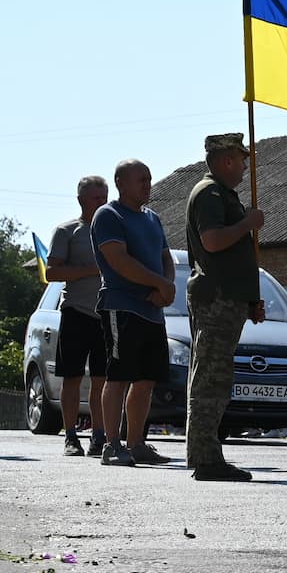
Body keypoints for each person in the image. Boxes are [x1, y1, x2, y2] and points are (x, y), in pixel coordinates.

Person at [184, 133, 267, 483]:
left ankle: (206, 453)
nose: (246, 166)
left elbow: (236, 258)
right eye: (241, 159)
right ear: (224, 160)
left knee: (216, 377)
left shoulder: (222, 194)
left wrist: (250, 300)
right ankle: (205, 458)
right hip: (215, 299)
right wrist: (247, 224)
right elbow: (213, 241)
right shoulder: (210, 194)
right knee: (210, 379)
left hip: (227, 299)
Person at [89, 159, 178, 468]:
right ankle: (111, 445)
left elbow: (166, 257)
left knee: (146, 380)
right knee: (119, 377)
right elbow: (119, 261)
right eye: (141, 179)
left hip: (152, 312)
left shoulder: (152, 218)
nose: (147, 184)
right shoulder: (108, 215)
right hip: (122, 306)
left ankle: (136, 443)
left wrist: (165, 285)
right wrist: (159, 284)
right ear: (121, 184)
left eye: (149, 178)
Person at [44, 175, 116, 457]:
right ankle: (70, 436)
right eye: (97, 198)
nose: (103, 203)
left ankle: (98, 436)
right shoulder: (67, 231)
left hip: (106, 311)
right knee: (72, 377)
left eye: (105, 197)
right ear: (81, 200)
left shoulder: (115, 229)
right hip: (76, 311)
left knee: (102, 379)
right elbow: (52, 273)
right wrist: (92, 270)